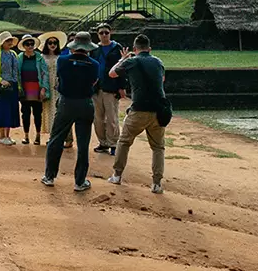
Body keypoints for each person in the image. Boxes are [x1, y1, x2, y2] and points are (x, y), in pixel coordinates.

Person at [108, 34, 170, 193]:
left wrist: (123, 58)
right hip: (158, 110)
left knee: (124, 142)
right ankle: (156, 184)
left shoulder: (131, 61)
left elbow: (112, 73)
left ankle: (117, 175)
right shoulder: (158, 61)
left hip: (139, 109)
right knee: (158, 148)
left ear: (135, 49)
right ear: (149, 49)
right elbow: (161, 80)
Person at [41, 31, 100, 191]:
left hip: (67, 102)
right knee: (83, 143)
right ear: (88, 48)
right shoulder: (94, 64)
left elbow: (60, 77)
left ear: (73, 46)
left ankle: (49, 176)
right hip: (85, 103)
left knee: (56, 139)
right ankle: (79, 181)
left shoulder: (63, 60)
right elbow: (94, 82)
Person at [92, 24, 123, 155]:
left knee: (112, 118)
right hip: (96, 88)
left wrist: (121, 87)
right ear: (98, 35)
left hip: (111, 87)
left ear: (111, 33)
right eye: (101, 33)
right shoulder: (95, 49)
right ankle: (103, 142)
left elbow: (122, 68)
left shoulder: (117, 48)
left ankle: (113, 143)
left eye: (106, 32)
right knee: (97, 118)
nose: (104, 35)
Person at [0, 31, 21, 144]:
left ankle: (8, 135)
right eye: (7, 41)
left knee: (11, 110)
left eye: (10, 40)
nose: (10, 43)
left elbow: (16, 70)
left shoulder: (13, 54)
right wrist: (0, 80)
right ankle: (2, 136)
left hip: (13, 84)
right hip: (2, 85)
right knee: (3, 110)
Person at [17, 35, 49, 145]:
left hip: (36, 88)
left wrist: (44, 88)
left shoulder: (39, 57)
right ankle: (26, 136)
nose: (30, 46)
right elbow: (17, 73)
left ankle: (38, 135)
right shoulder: (20, 58)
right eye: (27, 44)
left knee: (37, 113)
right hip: (25, 88)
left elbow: (45, 73)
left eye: (32, 44)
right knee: (25, 113)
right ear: (24, 46)